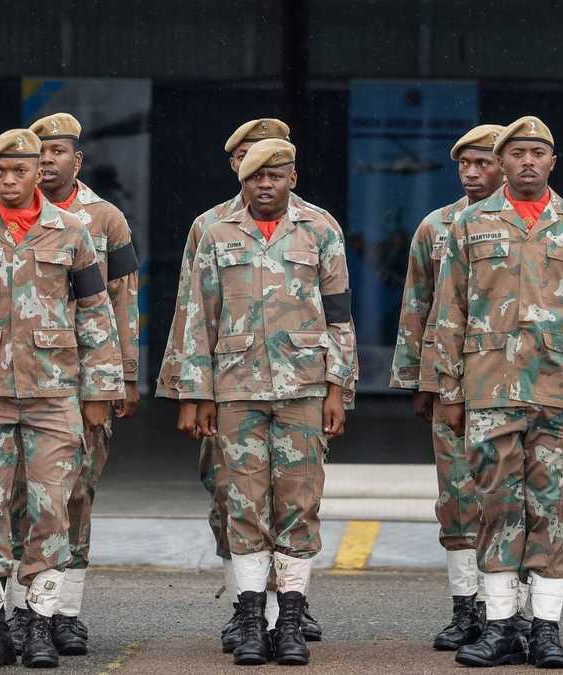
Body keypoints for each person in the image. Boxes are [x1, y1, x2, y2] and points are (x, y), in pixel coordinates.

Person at [178, 139, 355, 666]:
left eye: (274, 176)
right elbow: (198, 318)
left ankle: (290, 624)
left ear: (292, 177)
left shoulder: (321, 229)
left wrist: (338, 388)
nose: (264, 185)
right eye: (255, 176)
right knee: (244, 505)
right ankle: (252, 622)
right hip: (236, 389)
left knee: (299, 505)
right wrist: (196, 394)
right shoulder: (217, 232)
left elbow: (340, 315)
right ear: (242, 180)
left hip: (305, 387)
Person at [0, 129, 123, 669]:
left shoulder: (73, 231)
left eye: (20, 170)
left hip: (55, 393)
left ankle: (38, 624)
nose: (10, 180)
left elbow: (96, 314)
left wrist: (100, 391)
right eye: (0, 172)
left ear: (38, 172)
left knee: (52, 508)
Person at [0, 113, 140, 657]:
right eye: (40, 151)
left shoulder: (105, 219)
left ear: (76, 161)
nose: (48, 160)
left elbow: (122, 299)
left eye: (58, 151)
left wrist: (123, 376)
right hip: (18, 379)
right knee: (14, 493)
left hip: (84, 381)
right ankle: (18, 612)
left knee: (74, 495)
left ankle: (65, 612)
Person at [432, 116, 563, 668]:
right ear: (503, 161)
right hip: (489, 388)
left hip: (557, 389)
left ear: (552, 162)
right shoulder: (470, 224)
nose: (528, 161)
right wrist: (448, 390)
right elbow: (449, 310)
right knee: (495, 504)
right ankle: (503, 624)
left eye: (538, 152)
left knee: (553, 509)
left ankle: (548, 629)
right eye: (518, 153)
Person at [390, 124, 507, 651]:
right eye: (464, 164)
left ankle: (510, 612)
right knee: (457, 497)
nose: (472, 173)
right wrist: (418, 378)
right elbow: (417, 303)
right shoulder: (435, 227)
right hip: (450, 381)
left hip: (512, 380)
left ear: (504, 165)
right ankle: (466, 608)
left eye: (483, 163)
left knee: (511, 498)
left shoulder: (530, 225)